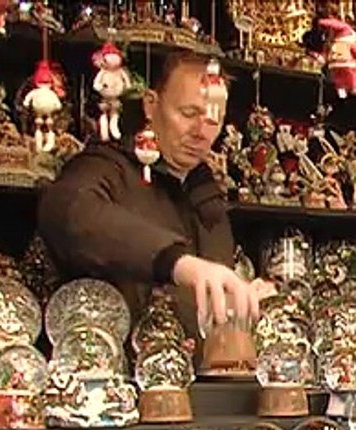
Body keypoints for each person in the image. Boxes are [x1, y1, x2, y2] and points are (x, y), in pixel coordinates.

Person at [38, 51, 259, 339]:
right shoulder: (107, 168)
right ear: (151, 105)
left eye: (214, 119)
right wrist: (177, 263)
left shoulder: (205, 194)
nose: (201, 132)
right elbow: (69, 212)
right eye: (189, 113)